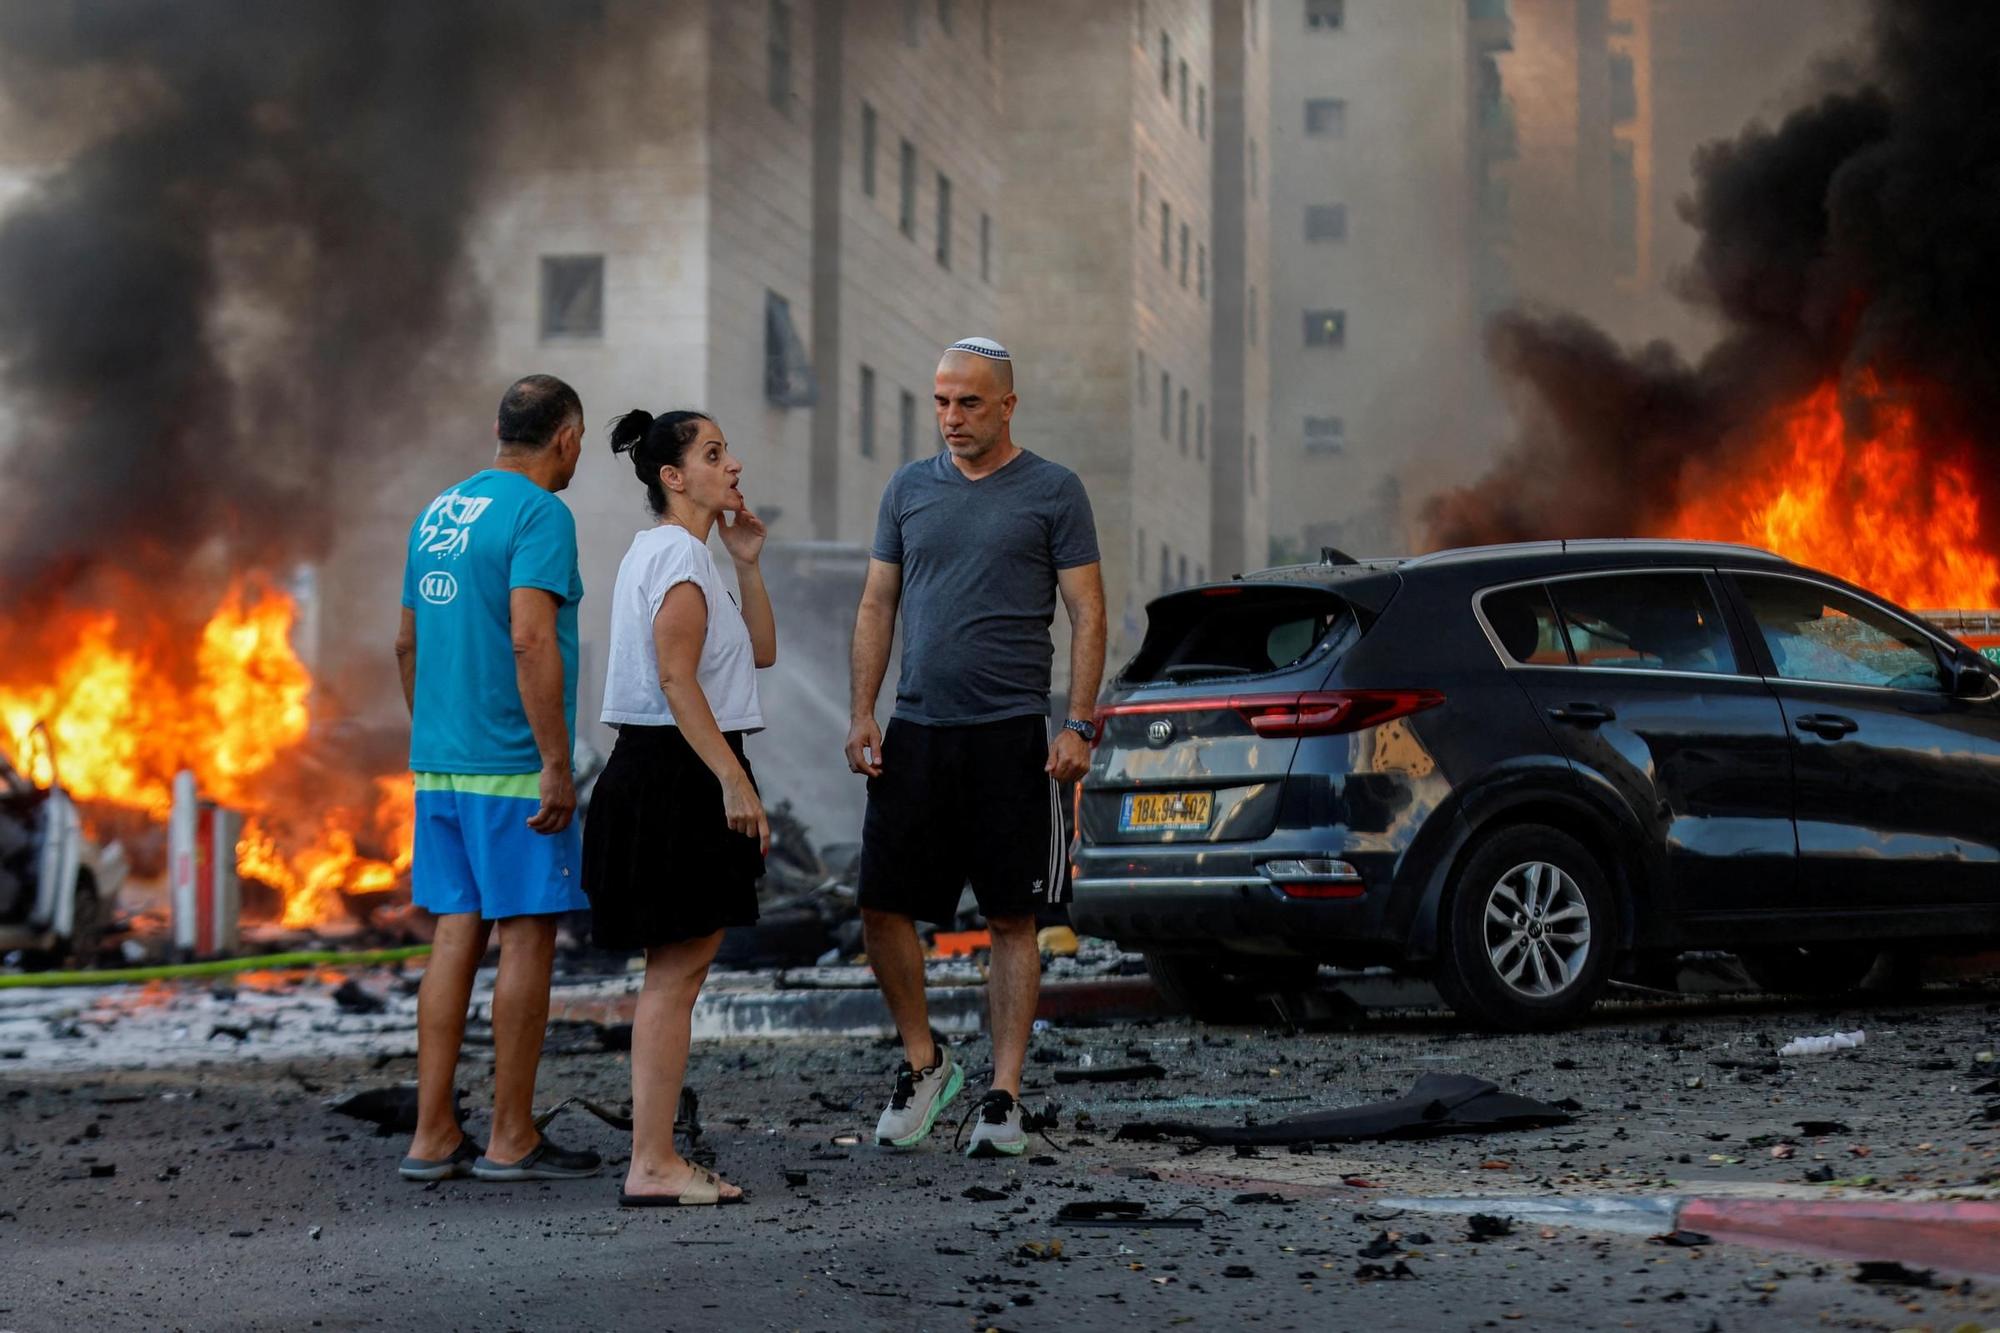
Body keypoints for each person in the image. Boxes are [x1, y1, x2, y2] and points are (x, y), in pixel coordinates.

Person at [846, 337, 1106, 1157]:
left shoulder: (1054, 491)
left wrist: (1080, 723)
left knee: (1011, 917)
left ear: (1006, 405)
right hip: (917, 729)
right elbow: (877, 603)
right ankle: (927, 1064)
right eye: (940, 401)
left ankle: (1003, 1094)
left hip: (1010, 737)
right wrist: (863, 711)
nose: (950, 418)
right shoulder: (907, 488)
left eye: (967, 403)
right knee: (881, 906)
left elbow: (1089, 614)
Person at [395, 374, 601, 1183]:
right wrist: (554, 759)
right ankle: (511, 1134)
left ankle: (432, 1132)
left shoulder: (438, 511)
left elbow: (405, 644)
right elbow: (529, 638)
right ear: (568, 439)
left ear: (497, 429)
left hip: (439, 759)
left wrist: (434, 728)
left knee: (455, 932)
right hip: (510, 763)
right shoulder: (540, 514)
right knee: (527, 934)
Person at [583, 408, 775, 1206]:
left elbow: (760, 654)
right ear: (673, 477)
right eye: (713, 453)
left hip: (673, 763)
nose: (732, 465)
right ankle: (652, 1159)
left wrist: (750, 563)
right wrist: (733, 780)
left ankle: (653, 1155)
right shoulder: (675, 560)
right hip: (678, 771)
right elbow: (675, 680)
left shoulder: (686, 556)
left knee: (679, 972)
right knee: (673, 975)